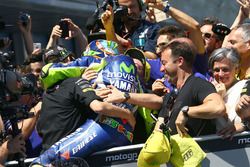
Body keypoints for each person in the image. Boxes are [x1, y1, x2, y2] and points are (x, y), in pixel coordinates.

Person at [106, 38, 226, 137]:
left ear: (180, 61)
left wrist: (186, 112)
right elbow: (158, 101)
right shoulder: (174, 93)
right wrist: (124, 96)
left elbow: (218, 107)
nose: (161, 69)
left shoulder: (197, 83)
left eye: (164, 63)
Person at [208, 47, 247, 138]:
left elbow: (237, 122)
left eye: (225, 69)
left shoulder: (244, 87)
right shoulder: (207, 89)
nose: (220, 74)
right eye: (216, 70)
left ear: (236, 69)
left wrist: (219, 101)